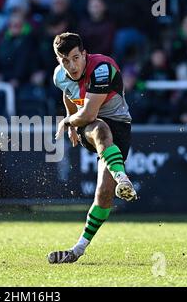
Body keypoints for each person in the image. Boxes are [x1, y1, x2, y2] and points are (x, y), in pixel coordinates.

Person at [48, 32, 137, 264]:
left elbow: (88, 111)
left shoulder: (102, 68)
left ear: (84, 54)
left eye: (76, 58)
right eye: (65, 60)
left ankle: (77, 249)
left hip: (119, 127)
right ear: (59, 60)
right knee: (99, 128)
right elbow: (71, 99)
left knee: (104, 195)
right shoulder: (60, 75)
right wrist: (69, 119)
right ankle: (123, 178)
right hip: (92, 126)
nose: (71, 65)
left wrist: (67, 121)